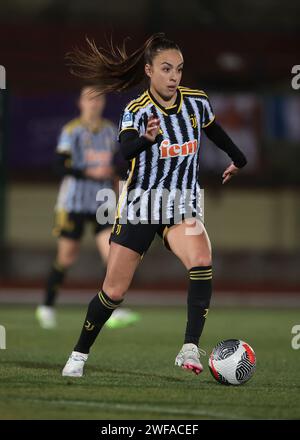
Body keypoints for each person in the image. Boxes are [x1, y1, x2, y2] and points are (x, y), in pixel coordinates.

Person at [62, 33, 247, 377]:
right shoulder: (136, 110)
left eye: (178, 68)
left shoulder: (196, 102)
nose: (174, 76)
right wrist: (147, 140)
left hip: (180, 206)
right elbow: (124, 152)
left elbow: (214, 130)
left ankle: (190, 346)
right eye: (166, 68)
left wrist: (239, 158)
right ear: (149, 70)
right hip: (141, 206)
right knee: (113, 291)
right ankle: (79, 353)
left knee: (202, 260)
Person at [36, 86, 140, 330]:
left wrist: (121, 190)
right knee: (66, 257)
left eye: (99, 98)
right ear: (80, 102)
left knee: (112, 254)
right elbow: (59, 167)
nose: (94, 103)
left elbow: (116, 167)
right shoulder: (71, 131)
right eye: (89, 98)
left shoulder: (109, 131)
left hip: (103, 201)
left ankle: (113, 310)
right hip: (73, 203)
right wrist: (88, 171)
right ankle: (47, 306)